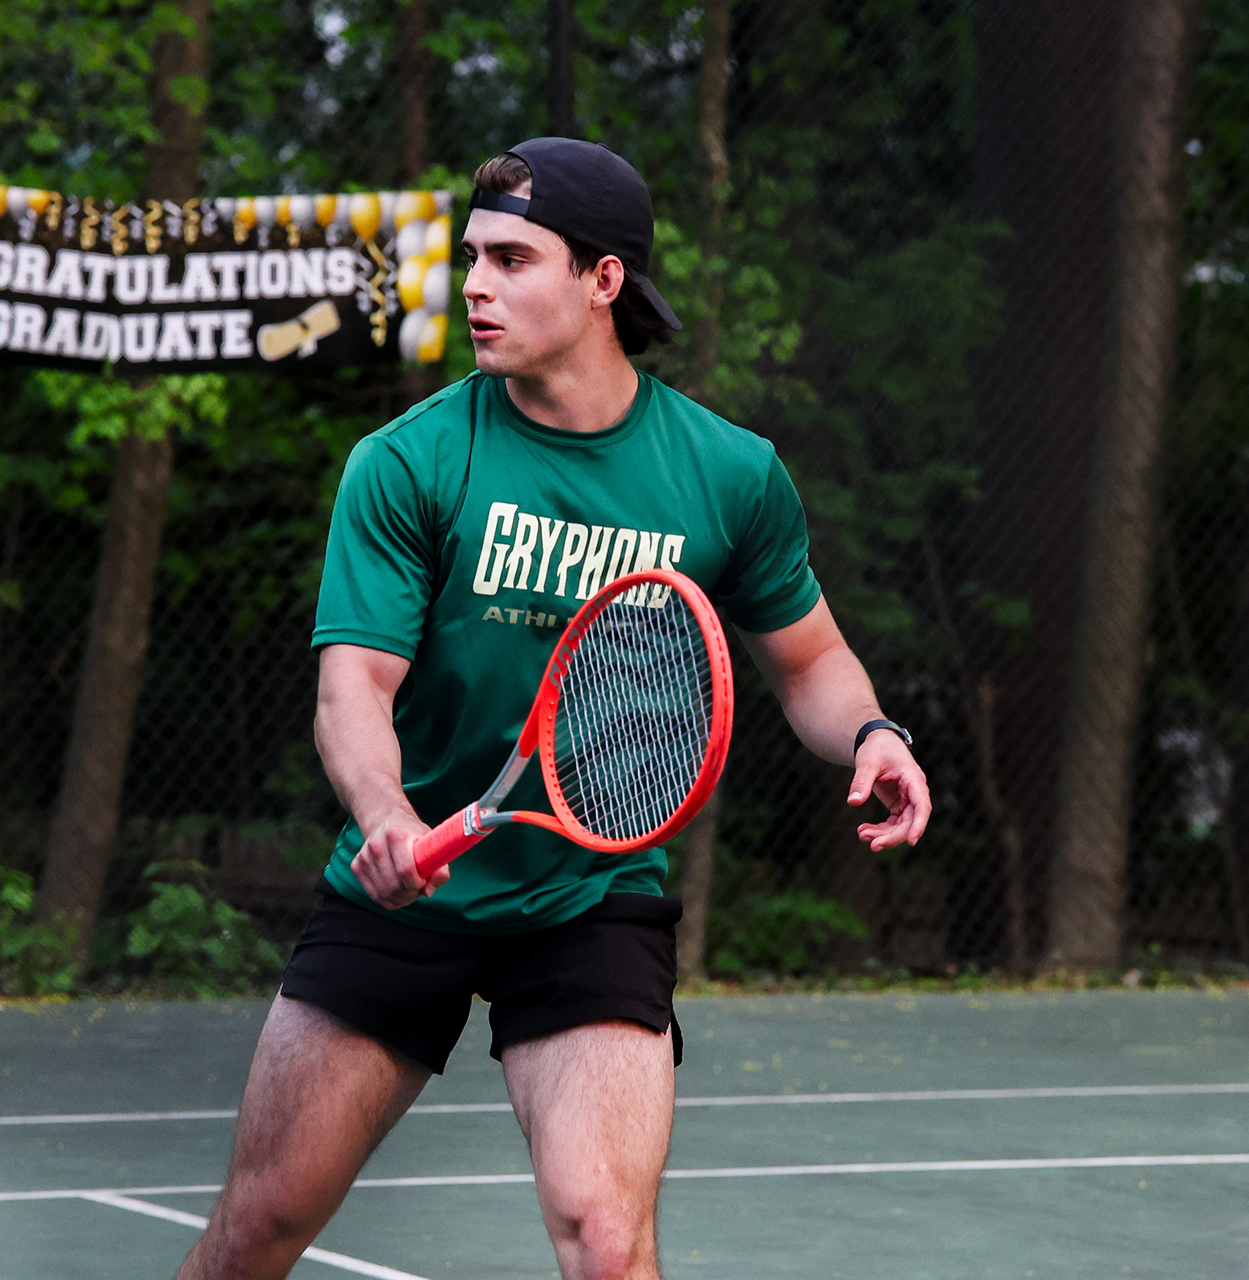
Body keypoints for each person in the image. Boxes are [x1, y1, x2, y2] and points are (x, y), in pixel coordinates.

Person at [174, 137, 932, 1280]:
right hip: (406, 887)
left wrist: (875, 733)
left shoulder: (728, 473)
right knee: (258, 1226)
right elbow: (352, 688)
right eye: (471, 256)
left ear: (603, 281)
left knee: (606, 1236)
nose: (474, 284)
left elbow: (812, 662)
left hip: (589, 886)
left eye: (513, 258)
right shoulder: (409, 461)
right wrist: (384, 815)